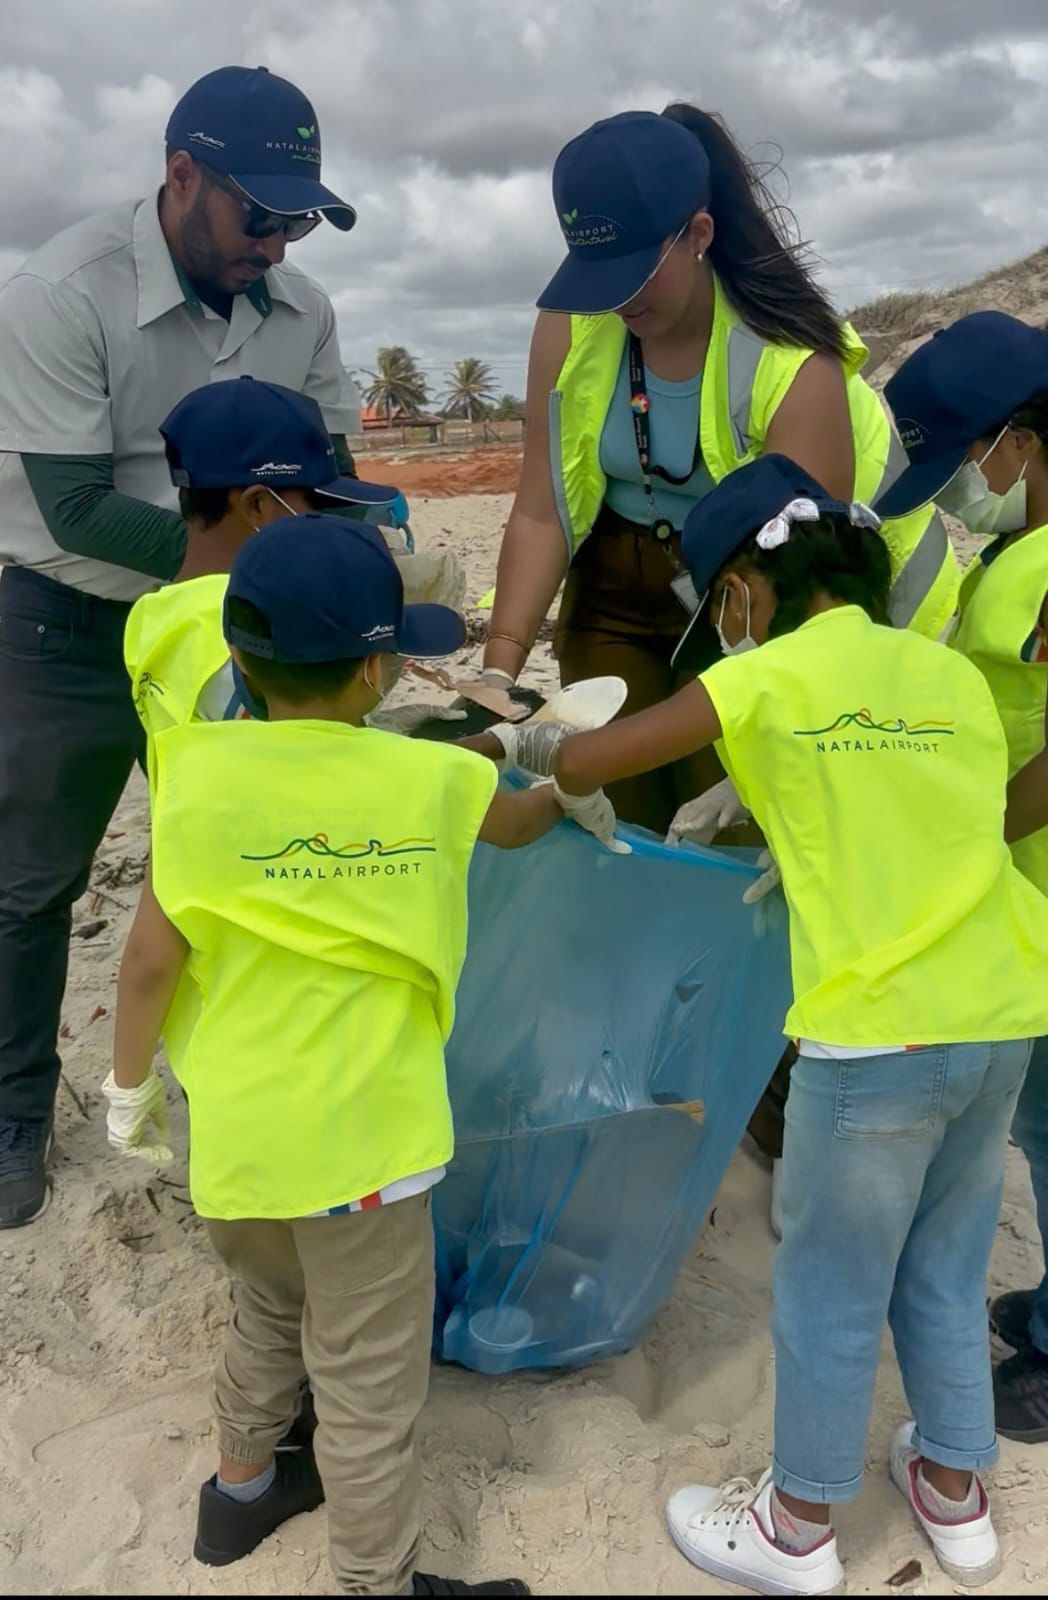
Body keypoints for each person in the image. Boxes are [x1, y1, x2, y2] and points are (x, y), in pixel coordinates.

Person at [550, 454, 1048, 1595]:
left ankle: (796, 1525)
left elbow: (582, 759)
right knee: (946, 1260)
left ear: (739, 592)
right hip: (1000, 1015)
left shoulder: (761, 678)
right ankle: (956, 1494)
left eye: (718, 611)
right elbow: (928, 811)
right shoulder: (948, 674)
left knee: (828, 1283)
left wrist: (528, 753)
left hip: (874, 1038)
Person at [102, 515, 609, 1594]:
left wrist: (127, 1086)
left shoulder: (194, 778)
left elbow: (146, 961)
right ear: (379, 671)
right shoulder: (424, 784)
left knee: (267, 1311)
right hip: (369, 1150)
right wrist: (559, 781)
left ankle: (240, 1492)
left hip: (240, 1140)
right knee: (369, 1377)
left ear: (238, 656)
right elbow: (515, 820)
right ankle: (377, 1580)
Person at [0, 64, 362, 1228]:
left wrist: (340, 565)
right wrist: (271, 564)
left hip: (233, 634)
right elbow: (76, 511)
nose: (277, 244)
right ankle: (12, 1114)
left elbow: (337, 476)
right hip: (67, 622)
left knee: (253, 860)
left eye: (299, 221)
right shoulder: (61, 291)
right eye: (260, 216)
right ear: (181, 175)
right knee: (29, 885)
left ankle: (237, 1087)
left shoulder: (302, 311)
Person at [478, 105, 957, 837]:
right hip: (618, 581)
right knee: (616, 810)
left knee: (730, 811)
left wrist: (757, 755)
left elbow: (806, 596)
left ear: (699, 234)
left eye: (635, 272)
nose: (616, 299)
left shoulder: (792, 361)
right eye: (596, 275)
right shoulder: (572, 324)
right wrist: (499, 670)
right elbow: (540, 511)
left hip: (757, 590)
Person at [877, 310, 1048, 1446]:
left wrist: (971, 838)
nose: (959, 491)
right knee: (1040, 1118)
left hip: (1027, 863)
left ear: (1019, 441)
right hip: (1026, 890)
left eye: (965, 462)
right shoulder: (1017, 553)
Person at [126, 376, 408, 753]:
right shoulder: (253, 627)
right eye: (317, 504)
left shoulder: (150, 615)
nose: (328, 522)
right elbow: (326, 764)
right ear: (257, 505)